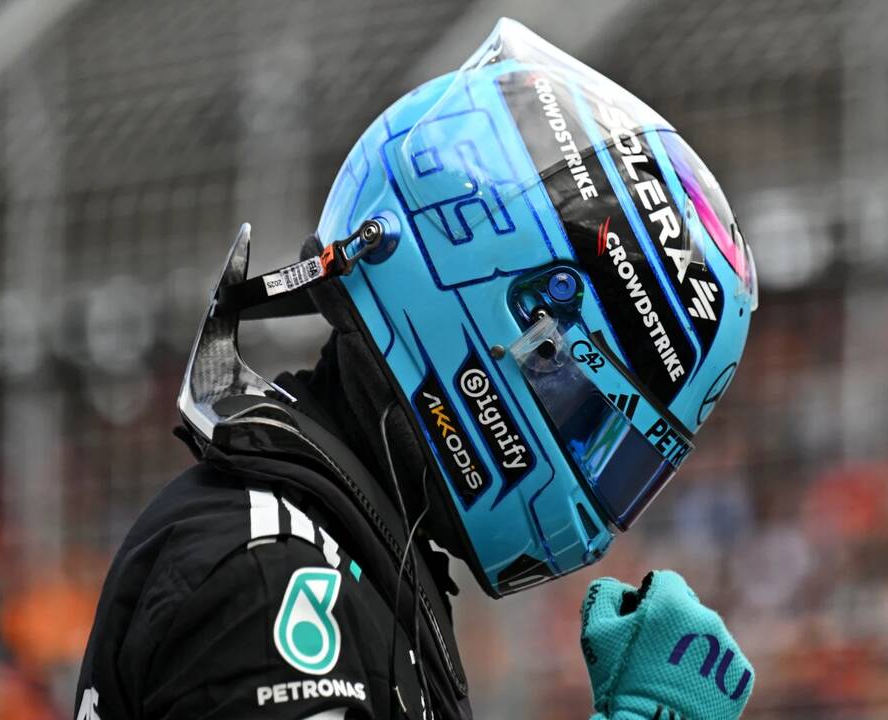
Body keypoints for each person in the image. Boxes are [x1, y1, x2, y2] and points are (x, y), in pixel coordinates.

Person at [75, 19, 758, 720]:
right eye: (590, 417)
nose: (597, 518)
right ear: (508, 325)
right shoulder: (273, 576)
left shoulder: (355, 561)